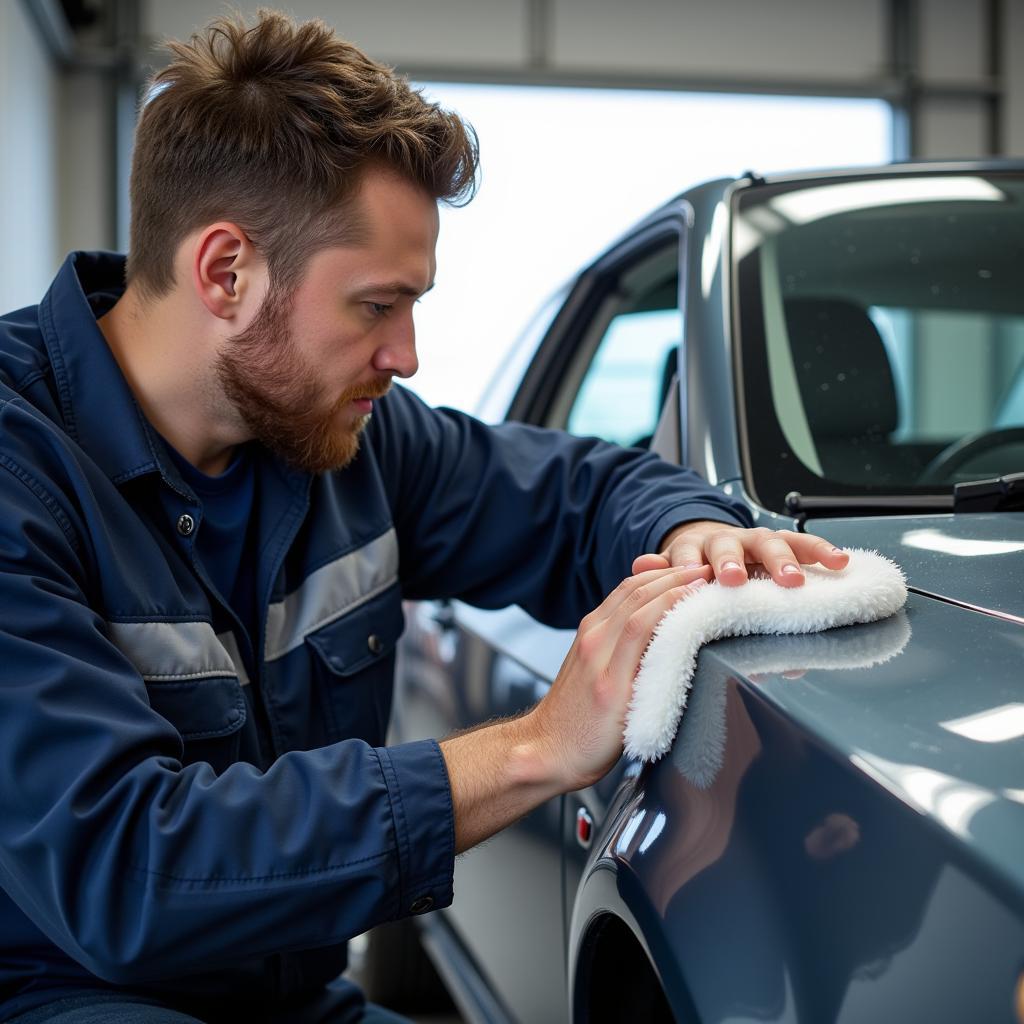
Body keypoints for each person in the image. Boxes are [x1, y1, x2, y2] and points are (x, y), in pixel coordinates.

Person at [0, 11, 849, 1023]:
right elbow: (123, 867)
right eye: (374, 305)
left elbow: (575, 494)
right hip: (68, 996)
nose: (405, 354)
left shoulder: (344, 439)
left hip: (292, 996)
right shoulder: (23, 473)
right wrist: (535, 747)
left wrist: (688, 530)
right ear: (225, 271)